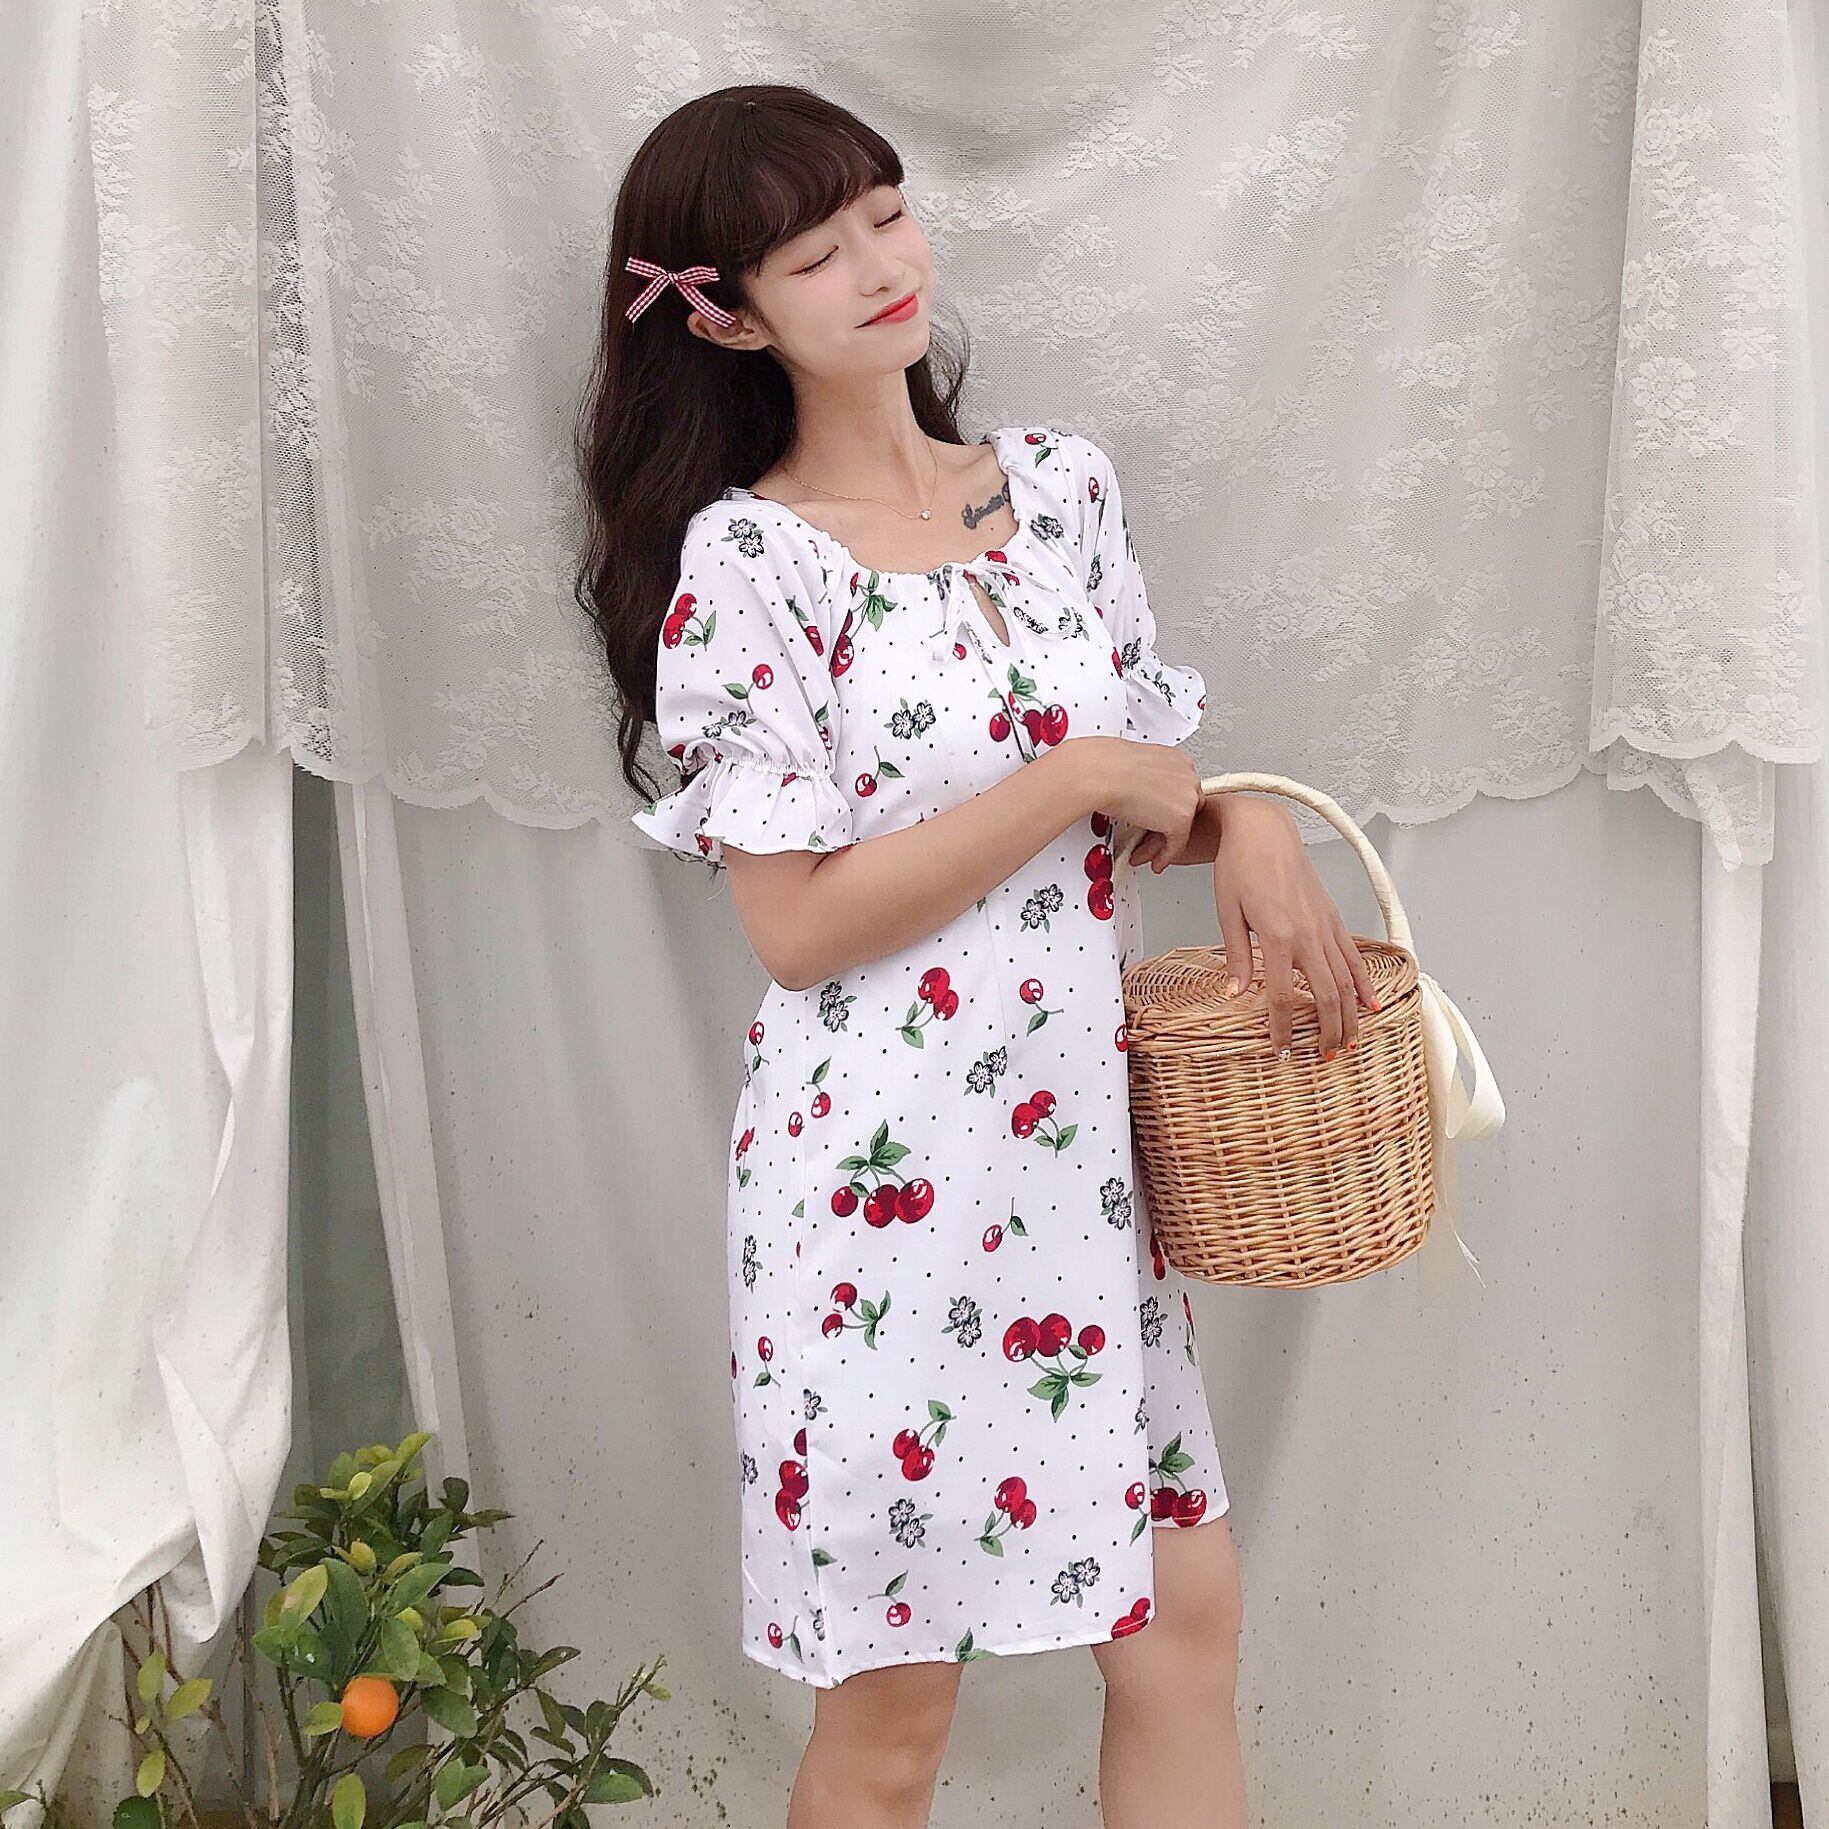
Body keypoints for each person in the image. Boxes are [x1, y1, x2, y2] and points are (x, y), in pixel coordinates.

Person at [575, 82, 1373, 1829]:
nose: (878, 266)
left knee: (1182, 1637)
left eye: (885, 214)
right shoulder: (750, 564)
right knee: (894, 1720)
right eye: (812, 253)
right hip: (879, 1206)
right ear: (726, 315)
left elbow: (1136, 796)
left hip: (1076, 1179)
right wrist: (1067, 777)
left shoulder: (1060, 491)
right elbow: (795, 927)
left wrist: (1242, 817)